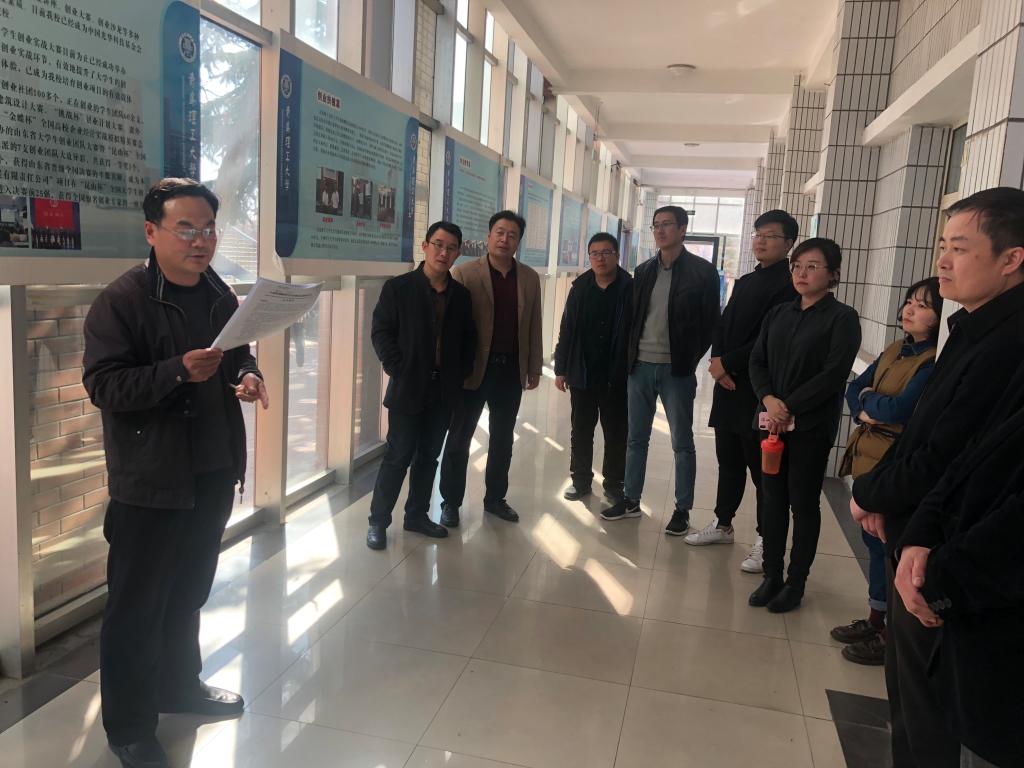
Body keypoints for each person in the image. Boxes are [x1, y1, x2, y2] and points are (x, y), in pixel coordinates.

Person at [82, 179, 269, 768]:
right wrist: (175, 372)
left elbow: (238, 352)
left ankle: (179, 687)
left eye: (208, 228)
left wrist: (248, 374)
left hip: (211, 472)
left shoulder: (218, 291)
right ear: (151, 231)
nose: (200, 240)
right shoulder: (122, 301)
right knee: (136, 609)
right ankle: (130, 726)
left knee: (187, 592)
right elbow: (104, 386)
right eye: (185, 228)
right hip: (151, 479)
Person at [850, 187, 1024, 768]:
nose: (943, 262)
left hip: (948, 558)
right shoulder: (972, 328)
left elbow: (954, 454)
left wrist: (872, 493)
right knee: (911, 705)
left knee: (932, 718)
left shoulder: (1009, 343)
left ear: (1012, 258)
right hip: (921, 538)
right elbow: (928, 434)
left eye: (959, 248)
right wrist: (884, 498)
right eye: (942, 246)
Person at [895, 360, 1024, 768]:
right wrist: (919, 535)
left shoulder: (1003, 345)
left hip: (996, 624)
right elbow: (970, 457)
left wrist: (937, 579)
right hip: (967, 620)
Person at [831, 278, 941, 666]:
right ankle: (876, 618)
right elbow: (855, 388)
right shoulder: (895, 349)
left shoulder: (933, 362)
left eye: (923, 305)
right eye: (909, 301)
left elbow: (900, 410)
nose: (910, 309)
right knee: (873, 545)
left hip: (893, 461)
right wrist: (868, 403)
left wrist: (868, 405)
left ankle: (892, 633)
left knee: (889, 545)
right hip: (867, 455)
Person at [747, 237, 860, 613]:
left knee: (803, 504)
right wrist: (769, 400)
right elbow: (757, 361)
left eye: (812, 266)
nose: (802, 273)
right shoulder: (778, 313)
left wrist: (789, 406)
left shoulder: (842, 318)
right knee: (772, 500)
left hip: (810, 428)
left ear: (833, 274)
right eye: (797, 266)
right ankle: (771, 575)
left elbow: (833, 374)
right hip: (770, 425)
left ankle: (796, 582)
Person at [684, 209, 799, 573]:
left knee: (762, 471)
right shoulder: (747, 280)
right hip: (729, 386)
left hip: (758, 390)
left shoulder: (788, 285)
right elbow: (723, 324)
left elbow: (769, 339)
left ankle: (767, 538)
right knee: (728, 461)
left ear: (789, 243)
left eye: (770, 235)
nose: (761, 241)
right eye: (757, 234)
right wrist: (717, 361)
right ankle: (723, 524)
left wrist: (728, 364)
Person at [602, 205, 720, 536]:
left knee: (682, 442)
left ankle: (682, 509)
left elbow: (711, 323)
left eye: (667, 224)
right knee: (635, 438)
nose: (660, 230)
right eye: (656, 225)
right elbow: (633, 318)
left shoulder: (702, 272)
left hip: (676, 370)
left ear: (682, 229)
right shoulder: (644, 271)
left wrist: (689, 358)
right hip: (640, 366)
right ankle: (630, 500)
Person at [365, 222, 476, 549]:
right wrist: (397, 367)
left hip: (443, 390)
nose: (444, 253)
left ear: (457, 253)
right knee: (398, 455)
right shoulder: (398, 288)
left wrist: (462, 371)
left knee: (428, 456)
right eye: (438, 244)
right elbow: (380, 331)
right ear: (425, 246)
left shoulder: (461, 296)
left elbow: (469, 339)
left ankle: (416, 515)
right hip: (408, 387)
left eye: (451, 248)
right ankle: (378, 521)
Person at [439, 210, 543, 526]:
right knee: (459, 438)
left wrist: (534, 366)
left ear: (518, 241)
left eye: (512, 234)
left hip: (510, 370)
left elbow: (534, 324)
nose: (505, 239)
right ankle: (450, 502)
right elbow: (451, 327)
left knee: (502, 439)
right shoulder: (464, 273)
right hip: (472, 370)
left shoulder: (529, 278)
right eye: (500, 232)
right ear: (488, 236)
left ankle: (495, 498)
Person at [553, 232, 633, 502]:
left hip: (616, 376)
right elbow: (567, 328)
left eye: (606, 252)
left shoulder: (630, 289)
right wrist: (561, 368)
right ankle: (580, 481)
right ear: (589, 257)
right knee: (581, 429)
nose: (600, 258)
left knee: (616, 432)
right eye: (595, 253)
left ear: (617, 255)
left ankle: (614, 484)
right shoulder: (580, 288)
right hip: (583, 373)